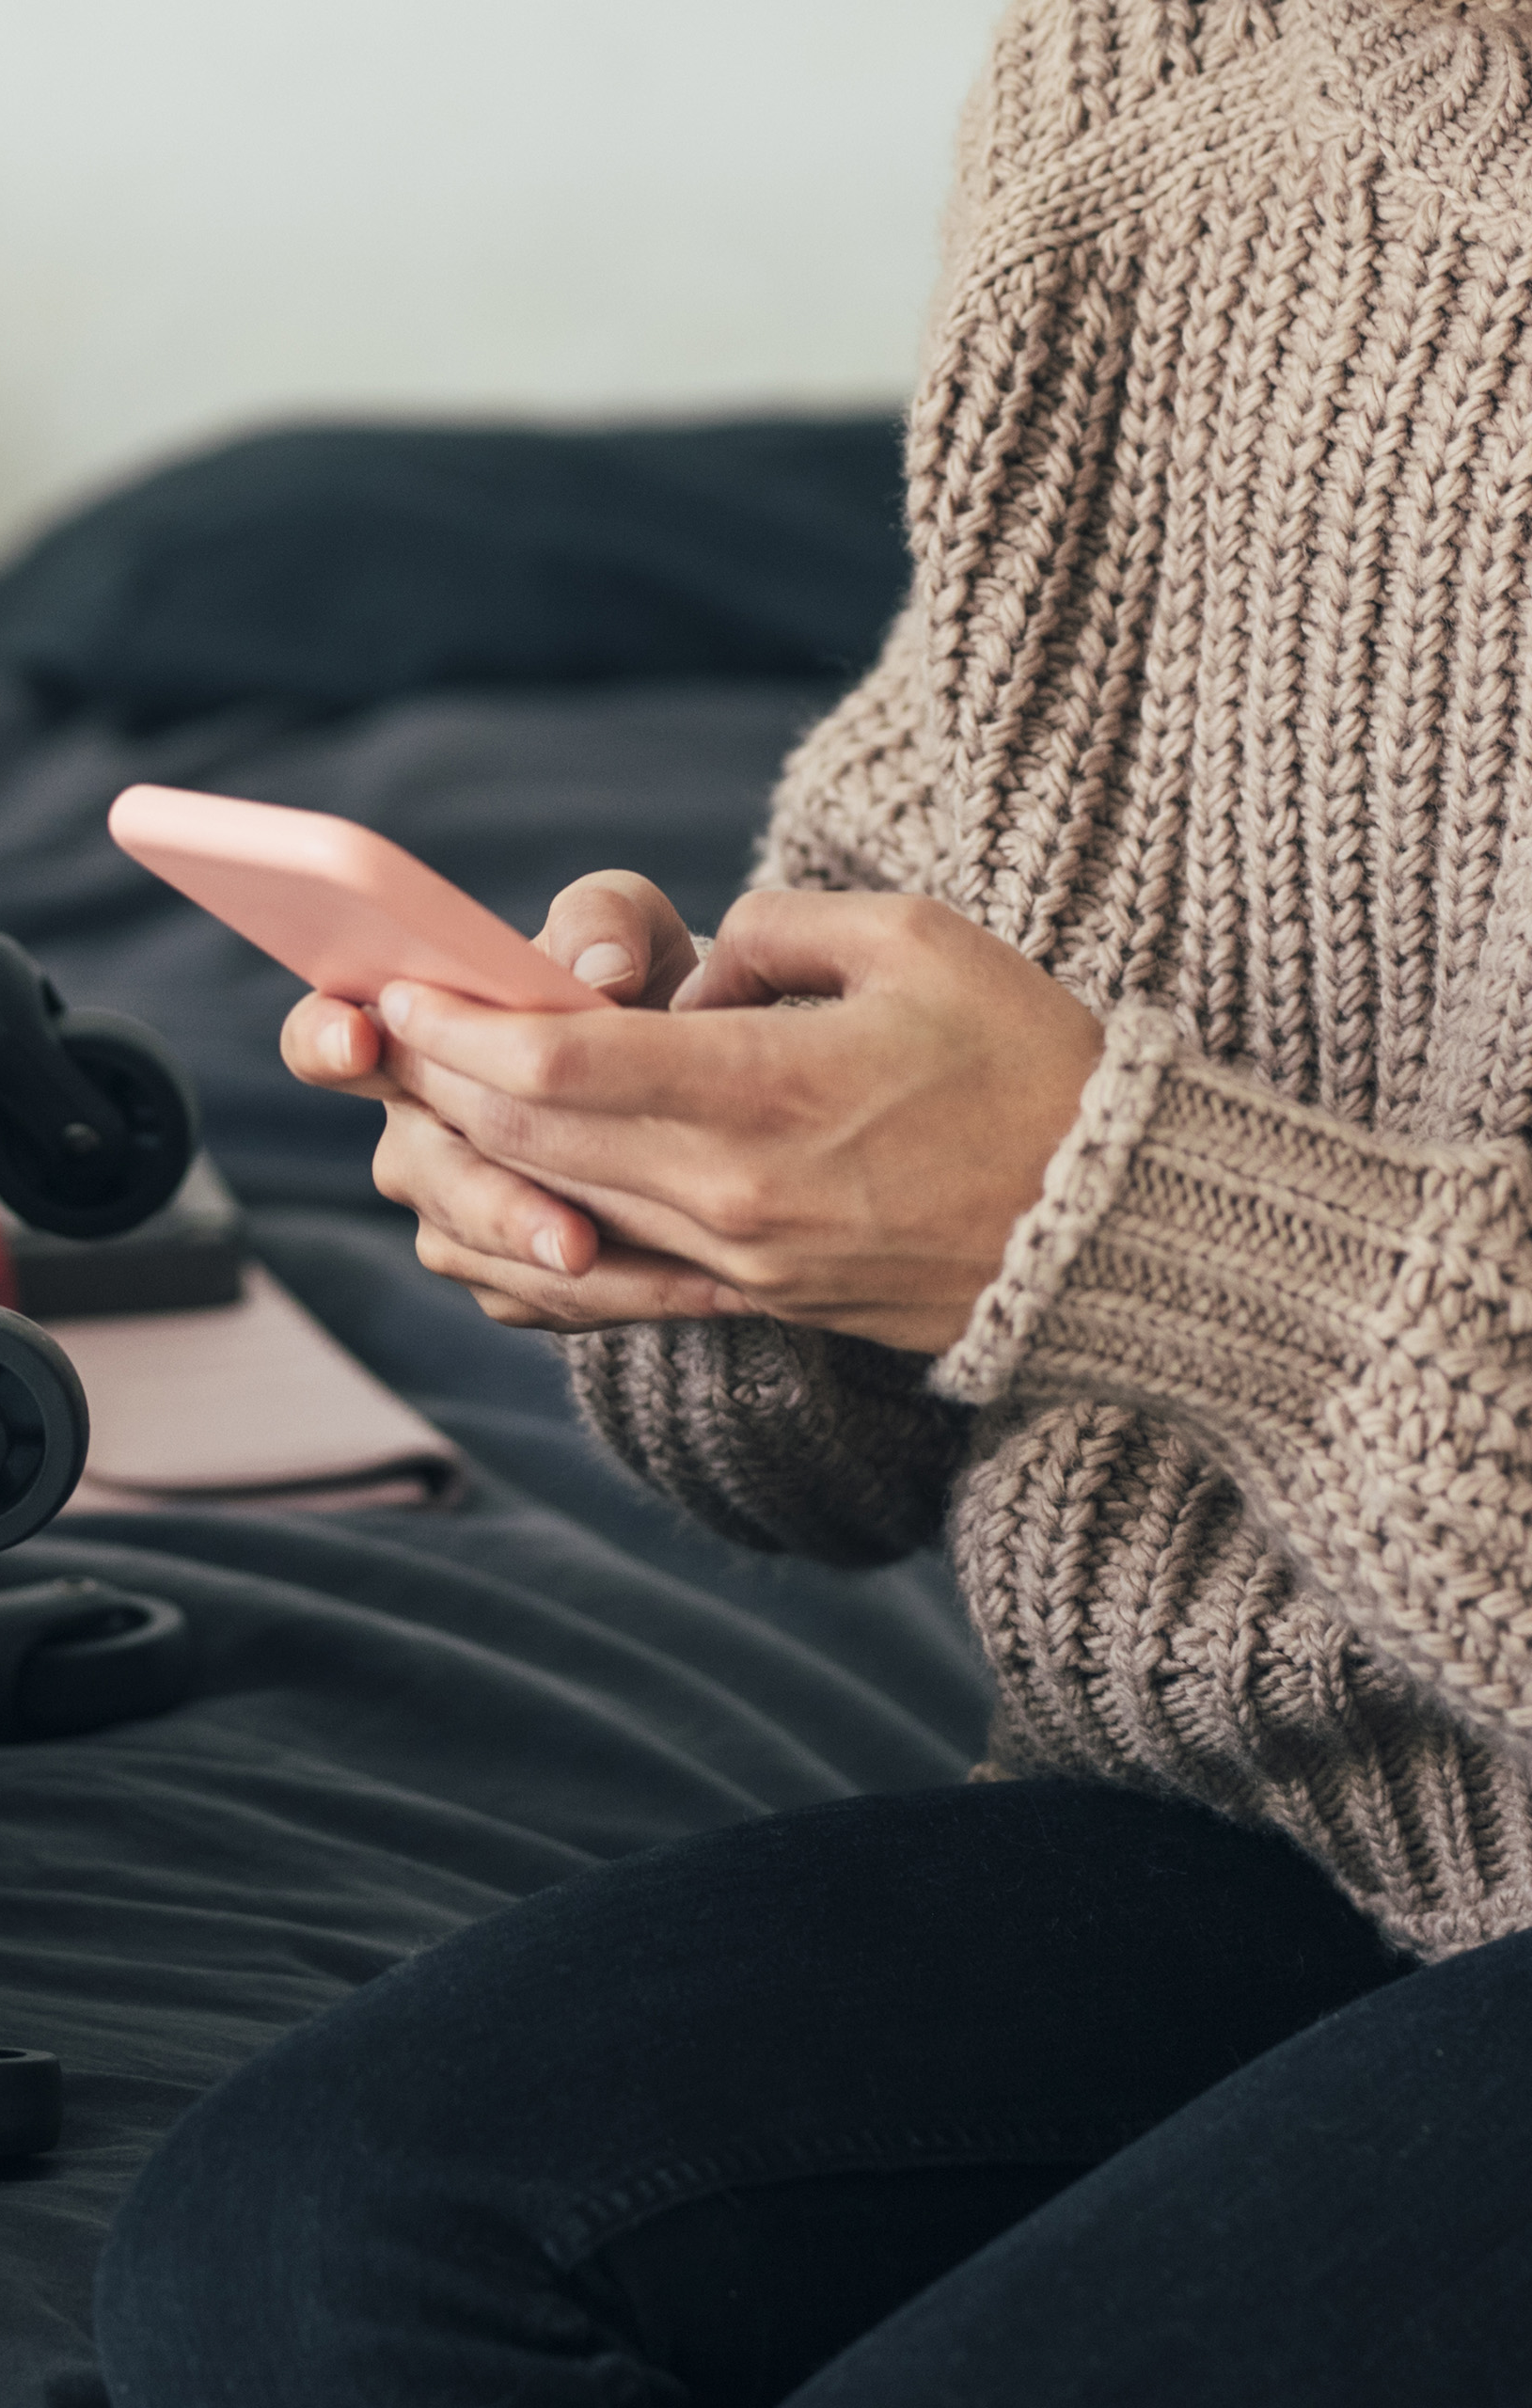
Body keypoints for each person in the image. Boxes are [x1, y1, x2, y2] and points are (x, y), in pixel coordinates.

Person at [95, 4, 1532, 2400]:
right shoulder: (1149, 73)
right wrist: (696, 1191)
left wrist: (1130, 1223)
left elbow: (1092, 1207)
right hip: (1278, 1810)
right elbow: (838, 1457)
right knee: (296, 2252)